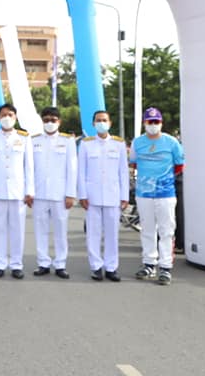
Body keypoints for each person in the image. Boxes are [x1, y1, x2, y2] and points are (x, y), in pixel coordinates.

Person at [130, 107, 185, 286]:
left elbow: (179, 165)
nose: (153, 125)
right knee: (147, 229)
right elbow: (134, 164)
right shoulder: (137, 143)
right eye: (150, 122)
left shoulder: (171, 142)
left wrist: (163, 180)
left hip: (165, 193)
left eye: (156, 122)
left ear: (161, 123)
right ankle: (149, 264)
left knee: (166, 230)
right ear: (144, 123)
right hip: (144, 193)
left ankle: (165, 267)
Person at [77, 110, 129, 282]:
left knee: (112, 234)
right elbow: (81, 171)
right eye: (98, 120)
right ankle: (96, 267)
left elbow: (123, 172)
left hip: (113, 195)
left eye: (104, 120)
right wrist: (82, 195)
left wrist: (124, 196)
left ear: (110, 123)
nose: (101, 123)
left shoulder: (118, 144)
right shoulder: (86, 144)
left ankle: (111, 267)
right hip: (92, 196)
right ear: (93, 124)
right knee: (93, 233)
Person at [0, 103, 34, 279]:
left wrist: (29, 191)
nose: (7, 118)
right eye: (3, 115)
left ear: (15, 117)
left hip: (18, 191)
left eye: (10, 115)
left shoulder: (24, 137)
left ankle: (16, 264)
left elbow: (29, 166)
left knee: (17, 230)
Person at [30, 106, 77, 279]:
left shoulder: (68, 141)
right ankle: (43, 263)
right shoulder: (33, 140)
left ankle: (60, 264)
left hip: (60, 194)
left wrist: (70, 194)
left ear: (59, 122)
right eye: (46, 120)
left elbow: (72, 169)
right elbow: (29, 169)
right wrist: (29, 192)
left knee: (60, 231)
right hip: (39, 193)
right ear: (42, 121)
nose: (49, 123)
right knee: (40, 230)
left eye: (53, 120)